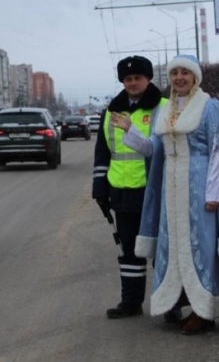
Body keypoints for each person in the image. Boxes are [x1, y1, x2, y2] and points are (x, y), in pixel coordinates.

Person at [118, 55, 219, 335]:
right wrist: (131, 132)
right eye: (174, 72)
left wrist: (216, 192)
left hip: (200, 190)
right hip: (171, 192)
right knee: (174, 247)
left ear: (195, 77)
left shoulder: (209, 106)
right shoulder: (166, 111)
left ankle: (205, 310)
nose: (179, 77)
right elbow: (155, 149)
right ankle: (177, 302)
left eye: (185, 73)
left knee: (201, 247)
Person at [92, 55, 168, 319]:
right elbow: (103, 153)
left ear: (148, 79)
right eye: (127, 79)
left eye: (138, 78)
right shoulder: (112, 112)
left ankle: (169, 304)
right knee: (128, 251)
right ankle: (131, 302)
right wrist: (99, 188)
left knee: (161, 250)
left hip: (155, 192)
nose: (133, 82)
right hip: (122, 193)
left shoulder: (164, 107)